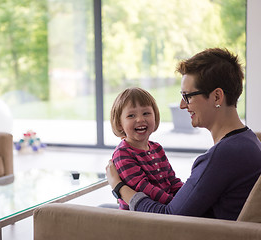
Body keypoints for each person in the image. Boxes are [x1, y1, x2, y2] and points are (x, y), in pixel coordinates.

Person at [106, 47, 261, 220]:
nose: (181, 105)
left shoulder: (223, 156)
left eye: (188, 96)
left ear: (217, 97)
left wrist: (119, 187)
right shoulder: (249, 140)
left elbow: (169, 217)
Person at [110, 87, 183, 210]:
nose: (140, 119)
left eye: (146, 113)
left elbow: (172, 180)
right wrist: (174, 203)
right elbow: (143, 187)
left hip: (164, 208)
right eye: (131, 115)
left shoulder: (157, 148)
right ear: (119, 124)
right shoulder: (122, 154)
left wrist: (186, 195)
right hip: (139, 216)